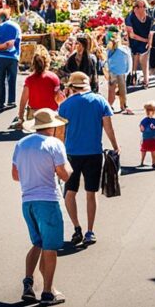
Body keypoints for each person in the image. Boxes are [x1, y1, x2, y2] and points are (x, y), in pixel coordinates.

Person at [13, 109, 72, 306]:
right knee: (50, 248)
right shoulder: (55, 144)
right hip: (47, 200)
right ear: (53, 127)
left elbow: (15, 175)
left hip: (27, 201)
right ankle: (47, 292)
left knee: (37, 243)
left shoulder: (21, 144)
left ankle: (28, 283)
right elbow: (64, 174)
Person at [58, 72, 120, 247]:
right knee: (91, 193)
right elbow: (109, 127)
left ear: (71, 87)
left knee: (70, 192)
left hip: (71, 154)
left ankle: (76, 227)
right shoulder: (100, 101)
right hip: (93, 153)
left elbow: (60, 133)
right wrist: (116, 145)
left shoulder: (65, 105)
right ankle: (89, 231)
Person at [14, 46, 63, 128]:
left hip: (34, 115)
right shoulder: (54, 78)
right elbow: (58, 98)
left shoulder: (29, 79)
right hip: (51, 114)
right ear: (48, 62)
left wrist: (21, 117)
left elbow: (23, 100)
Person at [0, 9, 22, 111]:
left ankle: (1, 102)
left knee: (1, 81)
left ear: (0, 18)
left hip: (1, 57)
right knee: (12, 80)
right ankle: (11, 101)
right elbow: (18, 40)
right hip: (13, 57)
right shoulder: (16, 26)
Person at [126, 0, 152, 90]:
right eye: (142, 7)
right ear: (136, 8)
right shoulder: (130, 17)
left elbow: (151, 31)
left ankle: (146, 81)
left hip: (144, 43)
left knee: (144, 61)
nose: (144, 8)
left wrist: (149, 41)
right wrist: (144, 40)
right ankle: (133, 77)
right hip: (134, 42)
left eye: (145, 6)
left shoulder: (148, 18)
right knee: (134, 60)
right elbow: (131, 35)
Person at [104, 32, 133, 115]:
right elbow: (129, 61)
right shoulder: (125, 49)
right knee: (122, 90)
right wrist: (128, 70)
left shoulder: (109, 50)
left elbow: (107, 61)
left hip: (112, 72)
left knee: (111, 90)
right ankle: (123, 105)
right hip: (121, 72)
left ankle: (109, 105)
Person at [138, 101, 155, 169]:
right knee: (153, 151)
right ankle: (154, 163)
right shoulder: (154, 120)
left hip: (146, 138)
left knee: (144, 150)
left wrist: (144, 130)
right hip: (152, 138)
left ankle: (142, 162)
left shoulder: (144, 120)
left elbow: (141, 128)